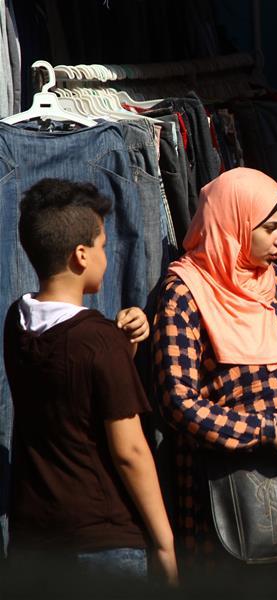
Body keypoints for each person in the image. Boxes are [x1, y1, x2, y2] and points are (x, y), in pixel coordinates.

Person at [152, 168, 277, 570]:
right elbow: (177, 402)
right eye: (270, 228)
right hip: (228, 500)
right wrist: (267, 431)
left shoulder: (272, 282)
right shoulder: (184, 294)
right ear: (236, 224)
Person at [3, 179, 177, 585]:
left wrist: (123, 345)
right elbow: (130, 451)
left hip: (33, 541)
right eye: (101, 244)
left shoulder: (17, 322)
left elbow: (73, 394)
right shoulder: (98, 340)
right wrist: (165, 543)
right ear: (81, 255)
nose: (106, 254)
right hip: (101, 541)